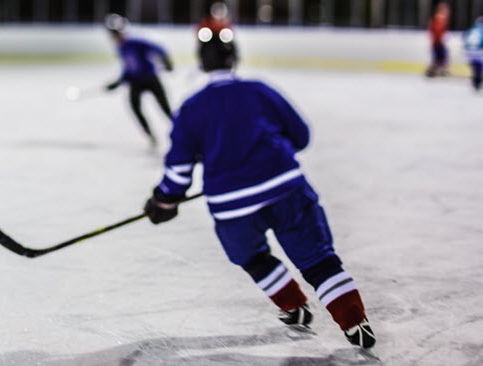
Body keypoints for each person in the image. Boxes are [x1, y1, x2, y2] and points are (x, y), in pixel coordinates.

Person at [141, 28, 377, 350]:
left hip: (232, 208)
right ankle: (355, 322)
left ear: (201, 63)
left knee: (252, 257)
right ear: (234, 57)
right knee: (319, 260)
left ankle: (293, 306)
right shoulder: (259, 91)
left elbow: (179, 172)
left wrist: (163, 200)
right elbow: (301, 136)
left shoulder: (192, 108)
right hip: (286, 191)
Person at [104, 14, 174, 147]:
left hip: (150, 78)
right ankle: (150, 134)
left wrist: (167, 61)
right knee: (135, 106)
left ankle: (183, 131)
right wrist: (118, 82)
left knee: (165, 108)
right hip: (136, 81)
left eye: (116, 33)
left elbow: (159, 49)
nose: (114, 37)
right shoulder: (121, 47)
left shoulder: (135, 41)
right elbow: (128, 68)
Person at [426, 2, 451, 78]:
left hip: (437, 42)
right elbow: (436, 31)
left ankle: (436, 70)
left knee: (440, 57)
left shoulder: (439, 18)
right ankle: (436, 70)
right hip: (437, 42)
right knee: (440, 57)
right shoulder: (439, 18)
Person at [463, 17, 483, 91]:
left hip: (469, 50)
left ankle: (475, 80)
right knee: (480, 66)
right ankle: (477, 80)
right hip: (479, 49)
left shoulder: (472, 29)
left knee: (475, 66)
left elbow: (464, 37)